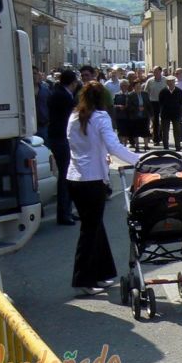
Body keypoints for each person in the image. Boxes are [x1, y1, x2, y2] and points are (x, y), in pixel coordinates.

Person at [66, 81, 140, 295]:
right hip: (93, 179)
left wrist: (99, 154)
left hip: (75, 177)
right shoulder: (100, 117)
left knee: (95, 227)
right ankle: (83, 279)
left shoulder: (72, 117)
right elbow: (113, 146)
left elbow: (79, 145)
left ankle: (101, 273)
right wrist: (139, 160)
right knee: (90, 230)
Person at [48, 69, 80, 226]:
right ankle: (64, 213)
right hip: (61, 138)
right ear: (73, 83)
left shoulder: (59, 92)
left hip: (58, 137)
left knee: (67, 175)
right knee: (66, 176)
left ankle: (67, 211)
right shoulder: (63, 96)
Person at [159, 75, 182, 151]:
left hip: (176, 113)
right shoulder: (163, 91)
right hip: (165, 113)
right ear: (167, 82)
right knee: (165, 130)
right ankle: (166, 146)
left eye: (172, 81)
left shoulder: (179, 91)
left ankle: (177, 145)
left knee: (177, 130)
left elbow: (181, 101)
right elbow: (160, 102)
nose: (170, 83)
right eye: (169, 82)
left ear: (174, 82)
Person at [143, 66, 167, 146]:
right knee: (155, 121)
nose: (155, 73)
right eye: (153, 71)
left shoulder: (165, 80)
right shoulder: (150, 81)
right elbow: (146, 92)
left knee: (164, 121)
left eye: (156, 71)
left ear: (160, 71)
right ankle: (156, 139)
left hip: (163, 103)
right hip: (153, 103)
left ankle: (163, 138)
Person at [127, 80, 151, 153]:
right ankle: (137, 146)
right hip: (135, 117)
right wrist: (137, 108)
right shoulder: (130, 95)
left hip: (144, 116)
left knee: (145, 131)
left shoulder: (145, 94)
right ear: (134, 87)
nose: (139, 88)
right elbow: (129, 106)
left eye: (140, 86)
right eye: (137, 86)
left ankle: (146, 145)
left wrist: (151, 114)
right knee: (136, 132)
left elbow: (149, 105)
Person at [33, 66, 51, 141]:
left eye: (35, 73)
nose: (33, 76)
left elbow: (51, 106)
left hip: (43, 126)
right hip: (29, 127)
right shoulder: (23, 91)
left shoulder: (45, 90)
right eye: (31, 73)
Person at [113, 79, 131, 146]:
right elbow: (113, 105)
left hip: (128, 115)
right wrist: (118, 106)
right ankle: (120, 144)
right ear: (120, 86)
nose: (124, 87)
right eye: (122, 85)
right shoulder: (116, 95)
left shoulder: (130, 95)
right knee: (119, 130)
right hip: (119, 115)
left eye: (125, 85)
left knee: (126, 130)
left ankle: (125, 144)